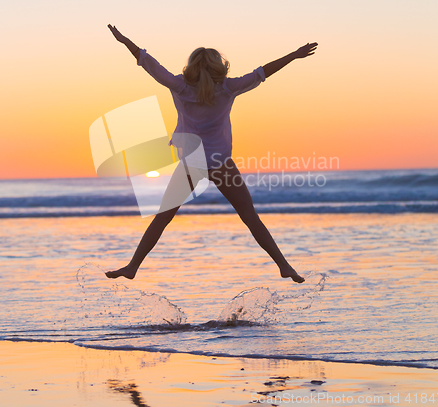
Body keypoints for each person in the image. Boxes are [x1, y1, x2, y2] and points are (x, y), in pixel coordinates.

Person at [105, 24, 317, 283]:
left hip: (191, 165)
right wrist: (293, 55)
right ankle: (284, 266)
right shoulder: (228, 88)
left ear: (191, 67)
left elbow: (147, 62)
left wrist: (126, 42)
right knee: (250, 218)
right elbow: (262, 73)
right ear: (219, 67)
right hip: (221, 163)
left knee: (162, 219)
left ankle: (132, 266)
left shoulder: (179, 86)